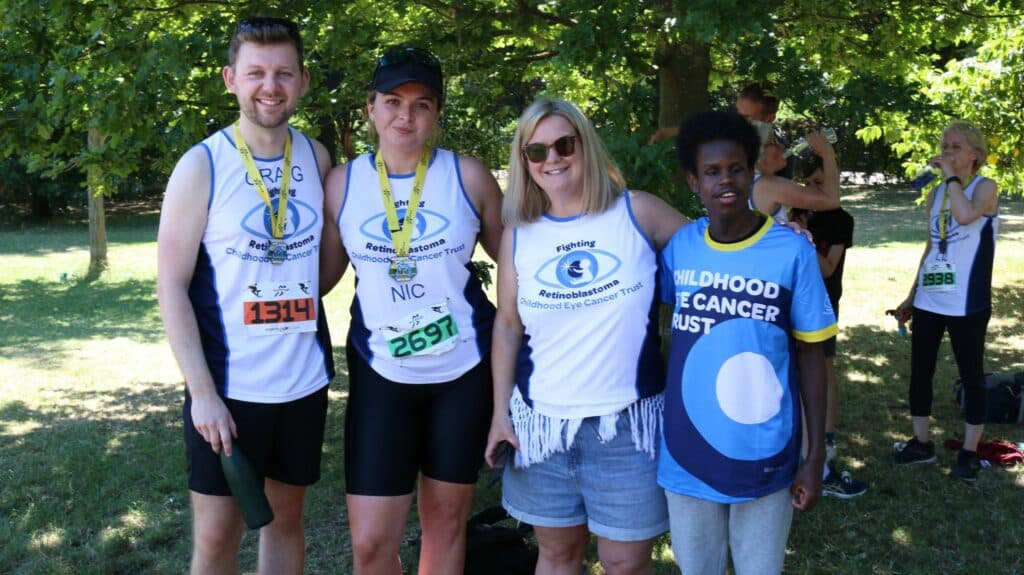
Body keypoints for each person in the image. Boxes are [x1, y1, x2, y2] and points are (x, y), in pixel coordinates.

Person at [156, 17, 333, 575]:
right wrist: (202, 395)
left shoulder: (317, 158)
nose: (270, 85)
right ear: (231, 78)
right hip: (228, 392)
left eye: (283, 72)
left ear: (303, 80)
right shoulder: (201, 165)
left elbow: (317, 270)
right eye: (255, 72)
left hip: (302, 382)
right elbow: (170, 286)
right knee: (216, 539)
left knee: (286, 524)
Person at [319, 45, 503, 574]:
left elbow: (515, 267)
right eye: (393, 101)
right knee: (371, 546)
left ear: (437, 113)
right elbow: (325, 277)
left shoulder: (467, 176)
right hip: (383, 374)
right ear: (370, 108)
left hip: (463, 371)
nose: (406, 115)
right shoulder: (343, 183)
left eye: (422, 104)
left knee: (444, 527)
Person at [484, 98, 686, 574]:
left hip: (627, 427)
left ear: (585, 146)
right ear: (525, 162)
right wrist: (499, 413)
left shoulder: (639, 212)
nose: (552, 159)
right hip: (541, 428)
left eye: (563, 144)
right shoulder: (519, 234)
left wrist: (779, 237)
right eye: (536, 151)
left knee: (624, 563)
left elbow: (721, 252)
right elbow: (509, 326)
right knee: (556, 555)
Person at [660, 110, 835, 574]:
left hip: (766, 457)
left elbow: (812, 356)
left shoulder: (791, 249)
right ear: (693, 182)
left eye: (736, 168)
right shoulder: (680, 248)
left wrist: (814, 456)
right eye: (712, 172)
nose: (726, 181)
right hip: (687, 454)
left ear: (752, 171)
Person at [890, 120, 999, 482]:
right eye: (944, 146)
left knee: (972, 375)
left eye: (955, 147)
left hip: (967, 302)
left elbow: (967, 215)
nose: (947, 152)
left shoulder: (986, 188)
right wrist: (911, 294)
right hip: (930, 300)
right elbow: (931, 247)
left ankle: (969, 452)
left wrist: (952, 178)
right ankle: (921, 443)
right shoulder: (937, 194)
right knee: (921, 371)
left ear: (975, 155)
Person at [789, 157, 868, 499]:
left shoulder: (839, 220)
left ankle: (826, 435)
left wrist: (801, 239)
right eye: (809, 183)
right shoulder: (793, 212)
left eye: (821, 183)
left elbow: (827, 268)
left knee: (822, 367)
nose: (813, 190)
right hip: (789, 303)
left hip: (822, 304)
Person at [750, 121, 840, 220]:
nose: (782, 146)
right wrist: (827, 152)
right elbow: (831, 201)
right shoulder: (766, 185)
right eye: (771, 143)